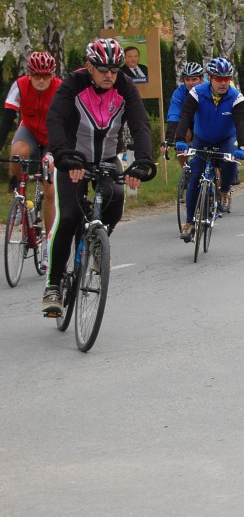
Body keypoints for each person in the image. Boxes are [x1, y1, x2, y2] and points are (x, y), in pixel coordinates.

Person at [41, 38, 155, 316]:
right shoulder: (73, 83)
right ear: (89, 66)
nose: (109, 76)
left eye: (114, 70)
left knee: (115, 198)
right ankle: (53, 286)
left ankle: (97, 241)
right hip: (73, 158)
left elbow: (140, 125)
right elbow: (54, 120)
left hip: (106, 157)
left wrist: (141, 162)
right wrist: (65, 157)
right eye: (103, 69)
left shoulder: (125, 87)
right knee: (67, 216)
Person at [175, 57, 244, 239]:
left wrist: (243, 146)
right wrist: (179, 139)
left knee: (231, 161)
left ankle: (224, 190)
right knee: (195, 176)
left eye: (226, 78)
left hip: (225, 138)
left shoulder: (236, 97)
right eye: (218, 79)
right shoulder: (197, 93)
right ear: (209, 78)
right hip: (202, 139)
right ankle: (189, 222)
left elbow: (241, 124)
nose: (223, 83)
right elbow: (185, 116)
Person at [1, 51, 62, 261]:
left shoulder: (60, 88)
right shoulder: (19, 86)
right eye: (37, 76)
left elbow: (67, 122)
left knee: (50, 188)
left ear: (52, 75)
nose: (42, 80)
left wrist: (58, 151)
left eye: (46, 76)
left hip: (52, 137)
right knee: (18, 154)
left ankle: (49, 244)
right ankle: (19, 196)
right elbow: (7, 119)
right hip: (29, 130)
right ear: (30, 74)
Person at [164, 62, 205, 167]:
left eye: (194, 79)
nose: (190, 83)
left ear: (202, 79)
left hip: (207, 122)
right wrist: (169, 138)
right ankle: (186, 172)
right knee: (181, 135)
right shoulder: (180, 92)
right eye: (187, 79)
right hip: (188, 123)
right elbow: (174, 114)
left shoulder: (209, 90)